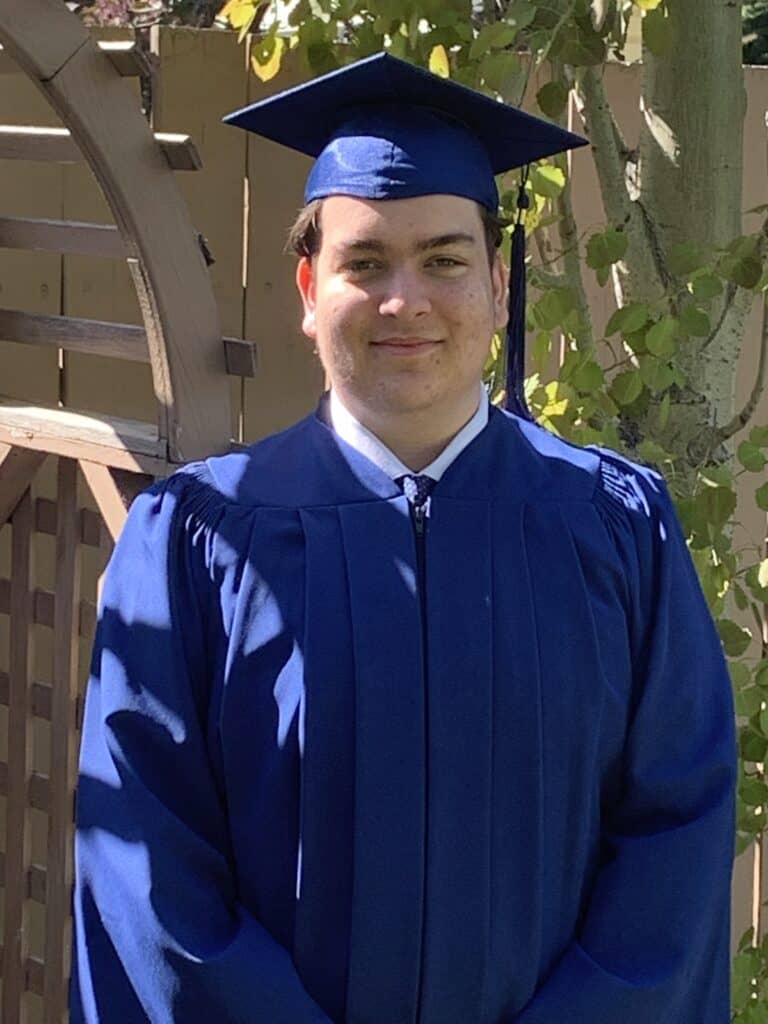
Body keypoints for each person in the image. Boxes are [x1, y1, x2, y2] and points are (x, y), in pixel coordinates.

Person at [70, 52, 737, 1024]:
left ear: (498, 283)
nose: (404, 299)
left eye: (444, 259)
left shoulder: (613, 528)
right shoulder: (196, 546)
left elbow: (675, 833)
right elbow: (143, 864)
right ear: (308, 288)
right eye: (364, 262)